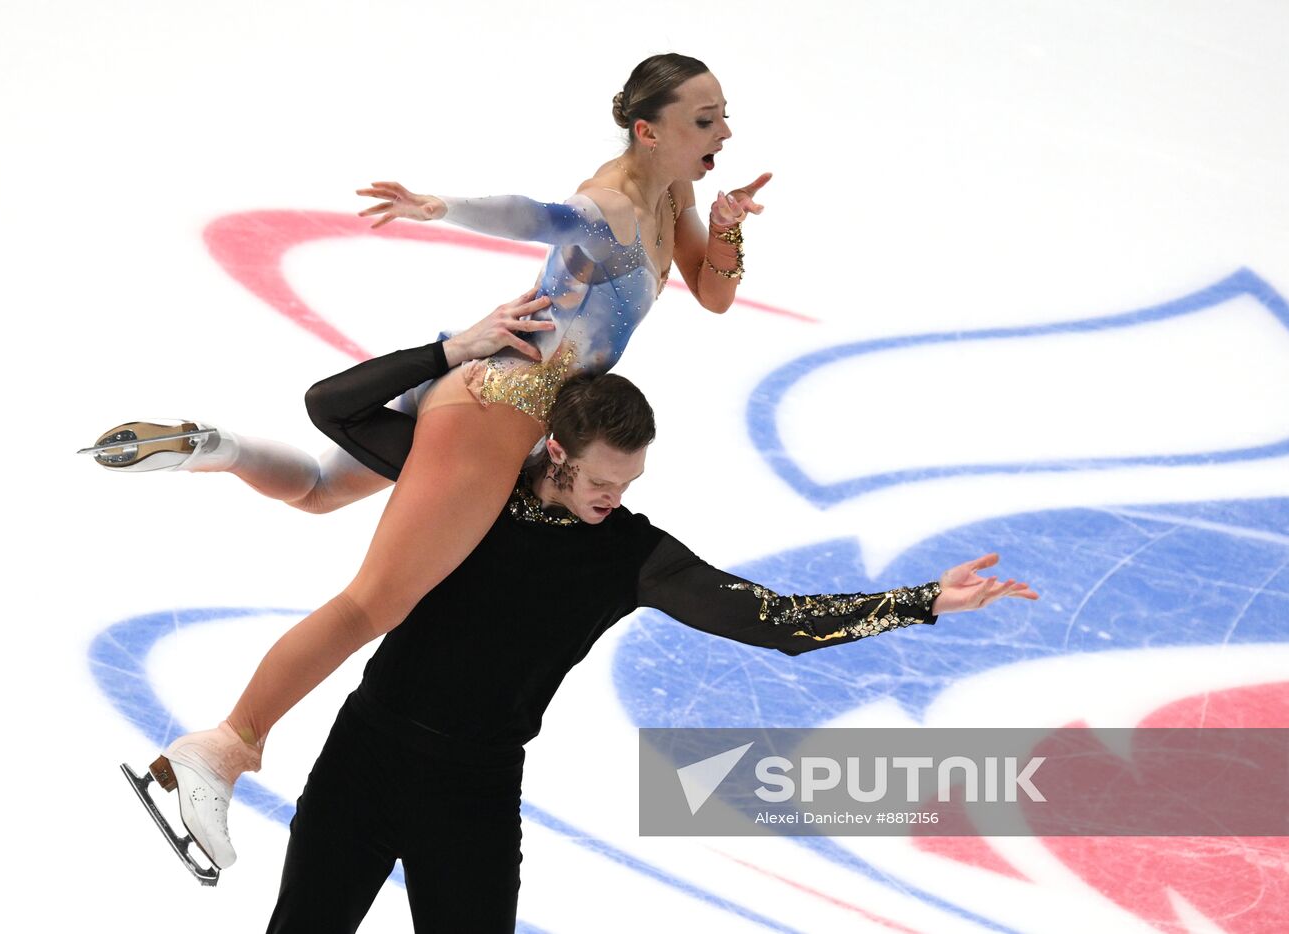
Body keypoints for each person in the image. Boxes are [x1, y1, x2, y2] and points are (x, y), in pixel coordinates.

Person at [104, 52, 777, 862]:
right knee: (369, 607)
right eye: (705, 121)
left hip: (486, 397)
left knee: (320, 491)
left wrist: (729, 222)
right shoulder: (606, 205)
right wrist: (439, 206)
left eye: (723, 114)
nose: (724, 132)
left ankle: (218, 448)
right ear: (648, 129)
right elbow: (536, 218)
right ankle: (223, 750)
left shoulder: (676, 189)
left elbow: (713, 291)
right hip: (499, 415)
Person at [260, 329, 1033, 932]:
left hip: (475, 789)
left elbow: (776, 623)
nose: (612, 497)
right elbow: (333, 406)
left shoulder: (629, 555)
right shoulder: (475, 486)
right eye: (601, 480)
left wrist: (924, 600)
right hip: (367, 753)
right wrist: (446, 353)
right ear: (555, 449)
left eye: (627, 483)